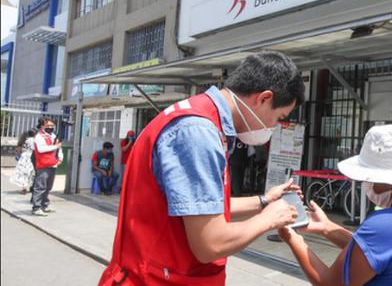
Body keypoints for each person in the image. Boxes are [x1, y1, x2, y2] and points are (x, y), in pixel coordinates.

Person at [99, 51, 305, 285]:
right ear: (264, 98)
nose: (274, 126)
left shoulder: (200, 118)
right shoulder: (198, 132)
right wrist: (269, 219)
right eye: (279, 117)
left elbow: (202, 208)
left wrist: (264, 201)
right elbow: (211, 243)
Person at [278, 125, 392, 285]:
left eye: (369, 177)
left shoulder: (386, 224)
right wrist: (327, 227)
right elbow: (376, 254)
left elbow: (330, 283)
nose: (366, 184)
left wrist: (292, 237)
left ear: (390, 181)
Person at [31, 117, 63, 217]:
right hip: (43, 164)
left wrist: (60, 157)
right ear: (42, 126)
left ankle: (44, 205)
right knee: (40, 186)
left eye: (52, 126)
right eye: (48, 125)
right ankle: (36, 207)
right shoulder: (39, 136)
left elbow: (59, 147)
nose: (50, 127)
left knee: (48, 187)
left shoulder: (53, 135)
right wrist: (55, 147)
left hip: (53, 163)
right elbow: (41, 149)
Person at [11, 129, 37, 194]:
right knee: (31, 172)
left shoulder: (24, 140)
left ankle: (24, 188)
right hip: (32, 157)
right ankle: (32, 187)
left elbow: (21, 148)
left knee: (23, 173)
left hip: (24, 157)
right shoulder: (35, 140)